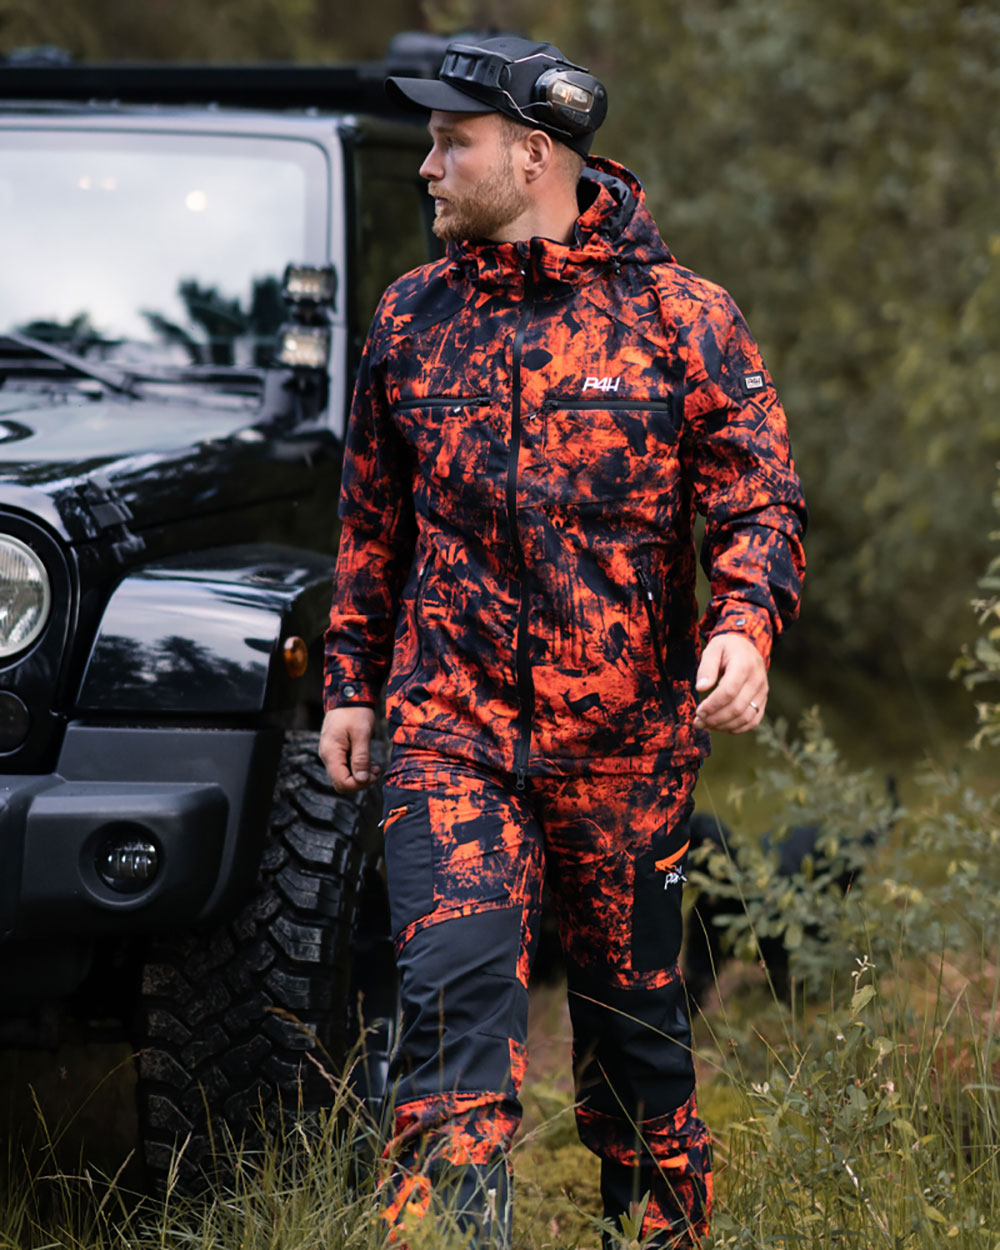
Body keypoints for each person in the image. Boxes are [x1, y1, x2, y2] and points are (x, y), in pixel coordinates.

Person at [320, 33, 806, 1249]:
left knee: (637, 1052)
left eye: (452, 142)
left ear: (533, 156)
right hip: (451, 732)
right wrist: (349, 684)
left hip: (626, 750)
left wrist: (744, 626)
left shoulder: (682, 318)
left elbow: (759, 500)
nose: (427, 165)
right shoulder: (411, 318)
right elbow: (372, 522)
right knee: (448, 1025)